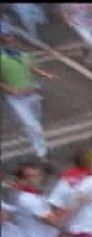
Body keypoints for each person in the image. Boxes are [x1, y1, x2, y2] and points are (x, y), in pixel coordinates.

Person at [0, 27, 57, 159]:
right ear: (2, 43)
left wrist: (46, 74)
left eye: (11, 39)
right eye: (6, 41)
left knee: (35, 121)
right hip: (16, 98)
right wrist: (10, 89)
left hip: (32, 94)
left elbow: (32, 68)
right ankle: (40, 147)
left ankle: (34, 137)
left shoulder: (25, 55)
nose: (10, 42)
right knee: (32, 125)